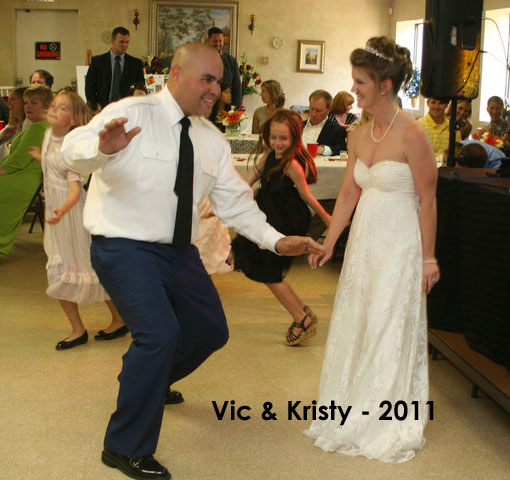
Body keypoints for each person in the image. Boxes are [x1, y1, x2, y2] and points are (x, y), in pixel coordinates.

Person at [61, 43, 323, 480]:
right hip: (125, 246)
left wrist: (277, 242)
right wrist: (102, 150)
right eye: (208, 79)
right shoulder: (132, 112)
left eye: (219, 81)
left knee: (210, 330)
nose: (216, 90)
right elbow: (73, 149)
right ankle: (124, 447)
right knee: (159, 334)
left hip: (179, 251)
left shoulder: (210, 139)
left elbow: (237, 203)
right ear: (177, 76)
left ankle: (149, 380)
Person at [305, 36, 440, 463]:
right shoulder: (359, 134)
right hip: (364, 241)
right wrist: (329, 243)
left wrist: (429, 258)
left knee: (388, 320)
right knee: (360, 318)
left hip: (400, 243)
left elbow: (428, 199)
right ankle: (352, 405)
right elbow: (348, 194)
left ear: (384, 85)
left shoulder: (413, 134)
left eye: (360, 81)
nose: (353, 88)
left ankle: (385, 413)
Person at [29, 90, 126, 350]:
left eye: (62, 108)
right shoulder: (49, 137)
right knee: (58, 270)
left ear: (73, 119)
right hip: (57, 216)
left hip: (71, 215)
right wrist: (40, 156)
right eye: (54, 105)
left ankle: (119, 319)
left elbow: (75, 188)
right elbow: (51, 165)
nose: (53, 109)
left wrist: (63, 209)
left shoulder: (71, 149)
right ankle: (77, 329)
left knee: (89, 267)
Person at [232, 109, 331, 344]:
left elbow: (306, 196)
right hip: (265, 214)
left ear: (294, 138)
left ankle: (301, 318)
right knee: (257, 264)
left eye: (283, 138)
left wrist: (327, 218)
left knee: (268, 271)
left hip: (285, 219)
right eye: (273, 137)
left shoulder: (292, 165)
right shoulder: (268, 156)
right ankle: (301, 312)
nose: (277, 143)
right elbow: (250, 179)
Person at [0, 86, 52, 258]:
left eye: (34, 103)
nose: (27, 106)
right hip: (25, 178)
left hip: (21, 179)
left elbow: (19, 160)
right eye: (27, 102)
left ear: (46, 106)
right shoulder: (40, 126)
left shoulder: (39, 128)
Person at [85, 26, 145, 111]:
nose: (125, 45)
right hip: (103, 109)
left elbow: (140, 88)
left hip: (127, 110)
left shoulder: (136, 64)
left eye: (127, 42)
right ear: (112, 41)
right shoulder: (97, 62)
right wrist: (96, 106)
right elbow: (89, 88)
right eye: (121, 42)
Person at [302, 90, 347, 155]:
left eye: (318, 110)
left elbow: (342, 149)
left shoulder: (337, 130)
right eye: (311, 109)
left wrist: (324, 150)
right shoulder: (298, 125)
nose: (313, 114)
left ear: (329, 109)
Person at [206, 27, 242, 108]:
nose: (218, 44)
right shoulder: (200, 59)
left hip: (226, 107)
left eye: (220, 41)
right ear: (208, 41)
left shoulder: (231, 61)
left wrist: (235, 108)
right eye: (215, 41)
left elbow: (237, 87)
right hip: (207, 105)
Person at [0, 87, 27, 160]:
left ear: (24, 102)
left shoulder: (29, 125)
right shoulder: (13, 125)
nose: (8, 103)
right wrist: (2, 136)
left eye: (12, 99)